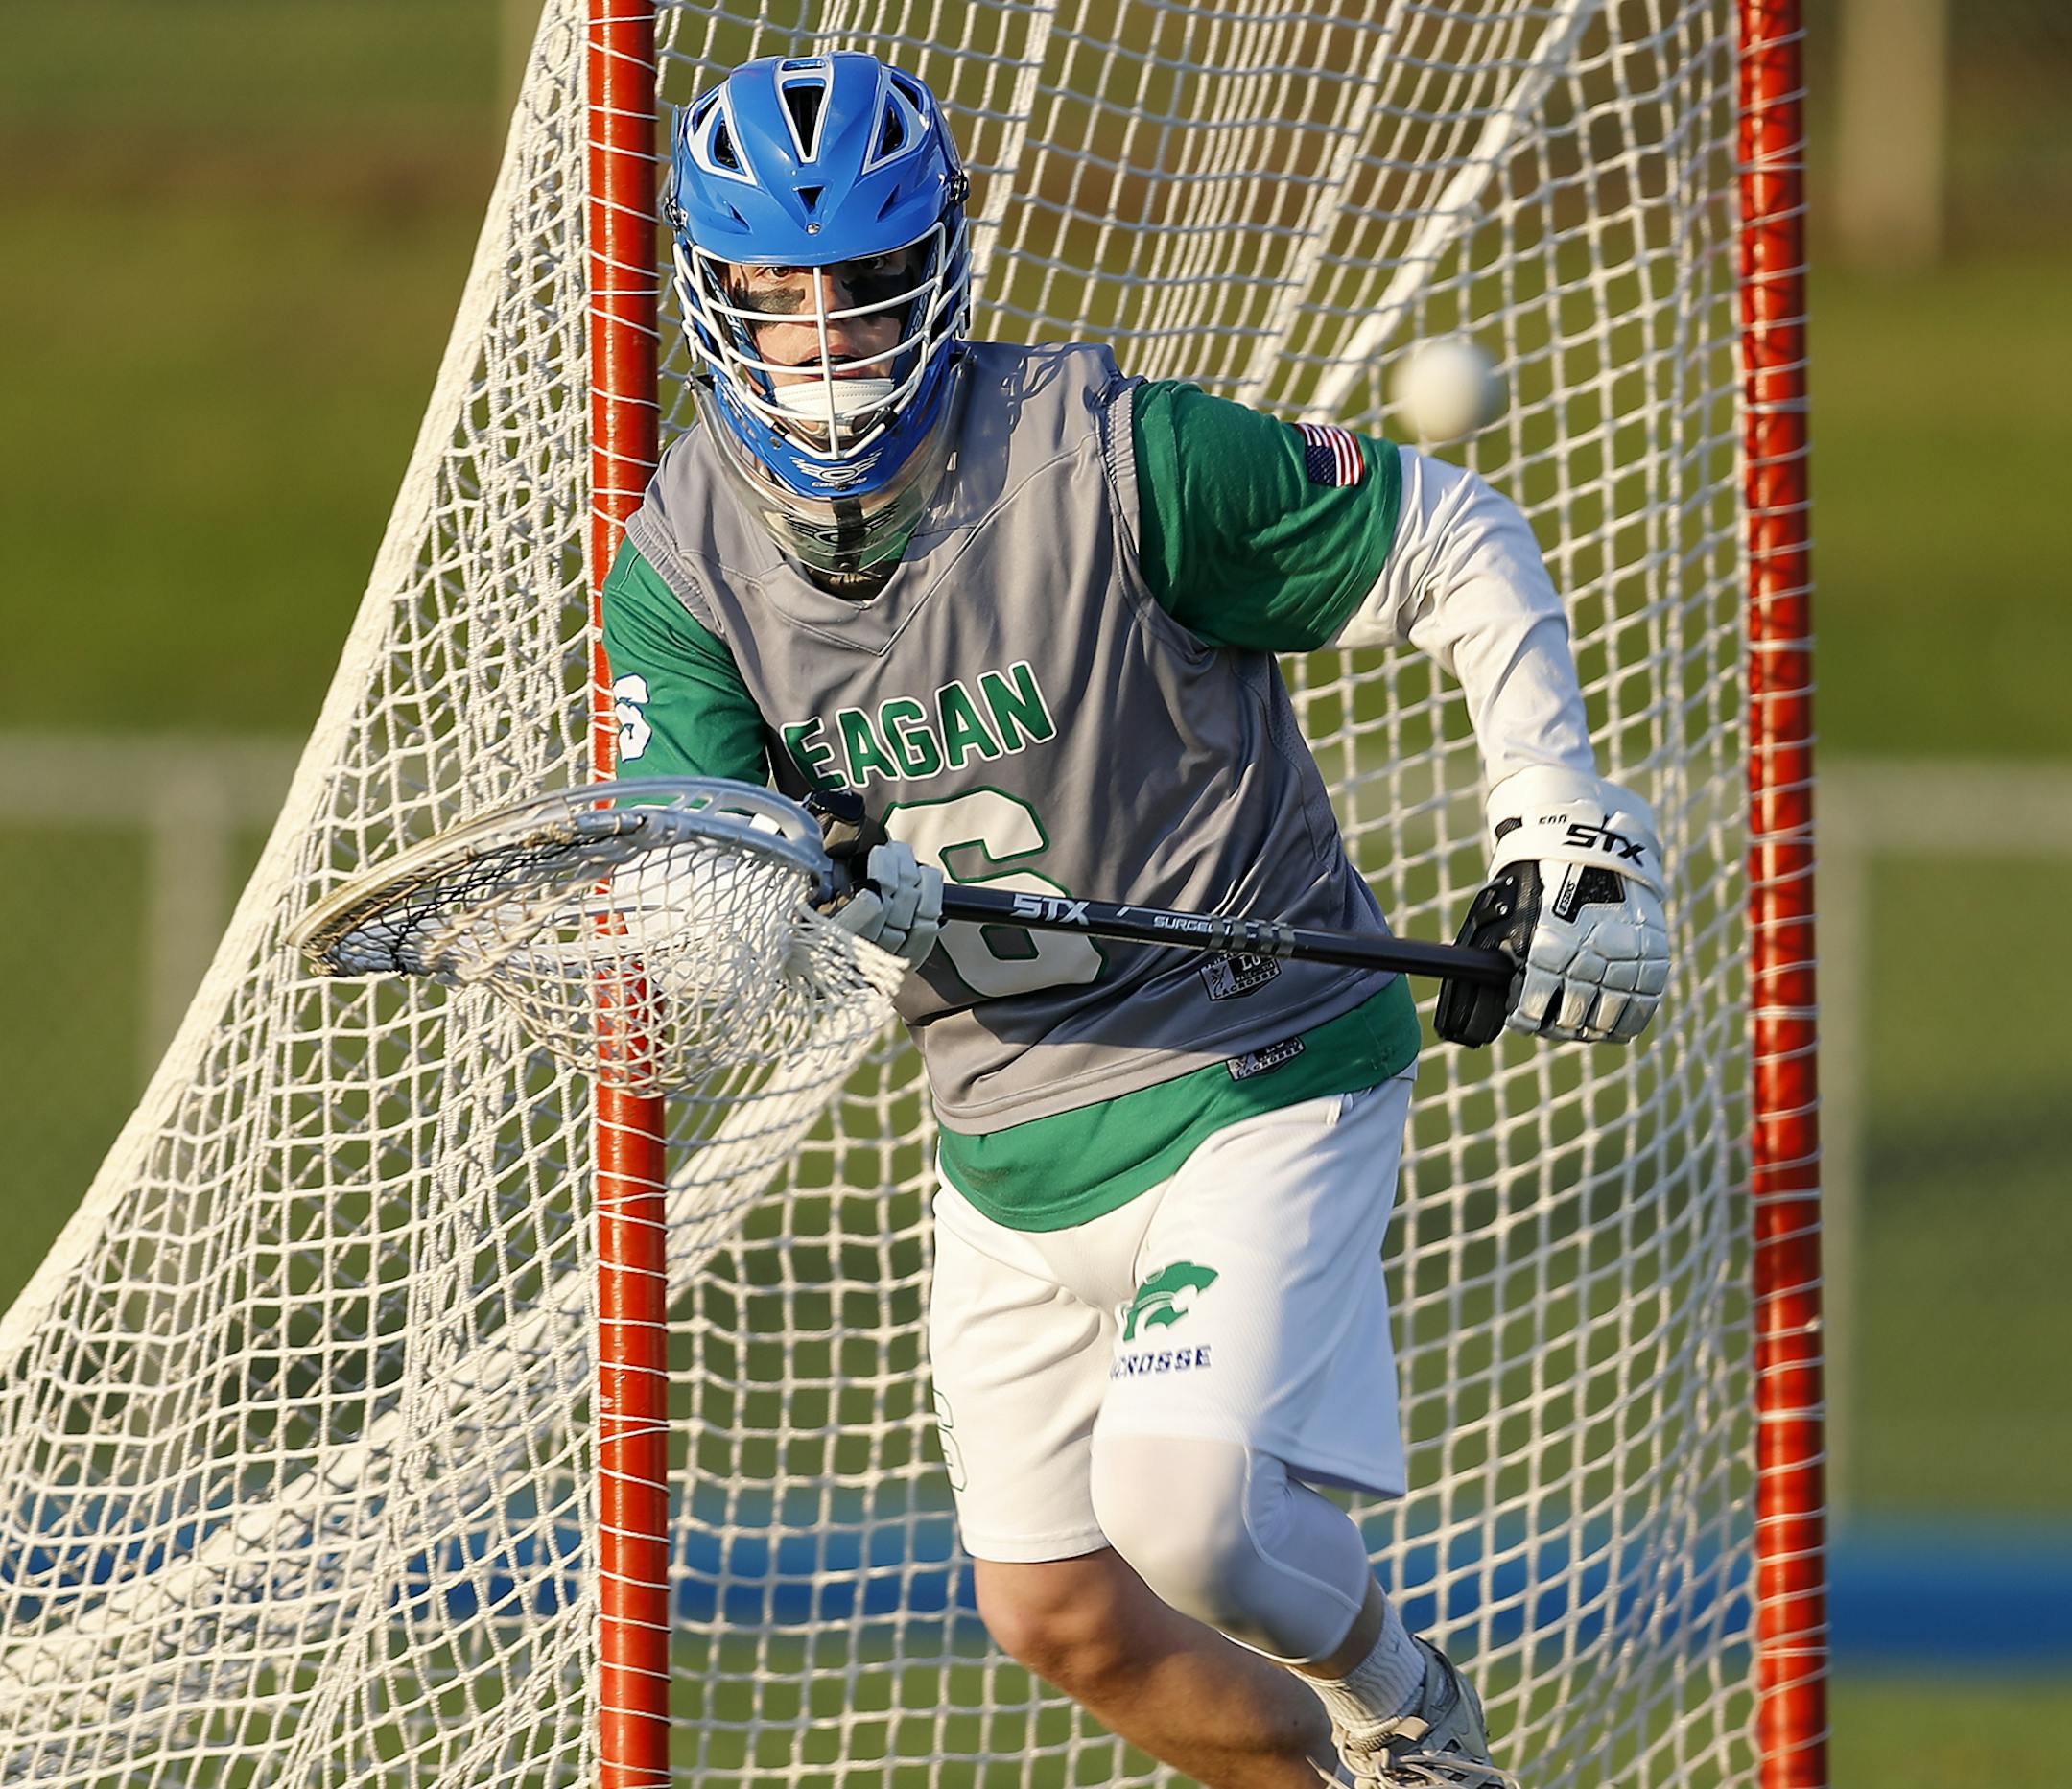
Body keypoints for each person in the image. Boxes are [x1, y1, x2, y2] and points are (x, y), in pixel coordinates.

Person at [606, 51, 1670, 1789]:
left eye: (865, 283)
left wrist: (1553, 811)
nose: (825, 340)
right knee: (1058, 1611)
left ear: (940, 260)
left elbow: (1452, 536)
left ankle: (1408, 1713)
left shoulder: (1116, 460)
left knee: (1187, 1515)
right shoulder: (683, 577)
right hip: (1003, 1132)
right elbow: (708, 923)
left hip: (1255, 1055)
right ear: (711, 296)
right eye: (776, 297)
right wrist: (813, 900)